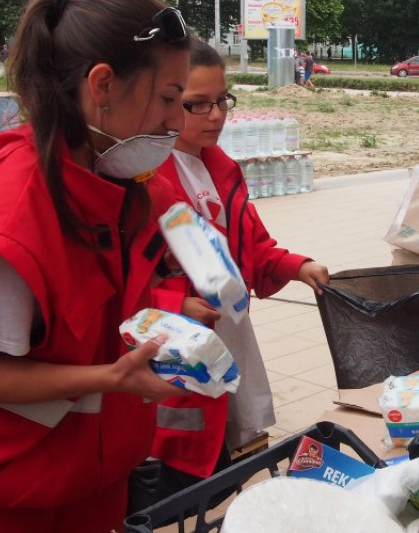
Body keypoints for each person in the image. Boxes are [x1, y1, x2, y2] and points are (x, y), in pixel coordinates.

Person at [0, 0, 192, 531]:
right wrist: (114, 376)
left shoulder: (116, 181)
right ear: (102, 87)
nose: (175, 121)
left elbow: (112, 290)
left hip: (86, 479)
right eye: (168, 97)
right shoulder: (7, 221)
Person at [145, 39, 329, 512]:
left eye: (221, 101)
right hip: (169, 361)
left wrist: (299, 266)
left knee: (224, 472)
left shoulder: (222, 169)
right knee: (178, 477)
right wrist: (174, 304)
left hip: (227, 340)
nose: (215, 116)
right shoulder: (146, 178)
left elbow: (252, 246)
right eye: (196, 105)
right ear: (164, 101)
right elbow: (120, 283)